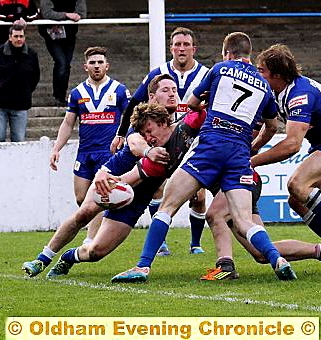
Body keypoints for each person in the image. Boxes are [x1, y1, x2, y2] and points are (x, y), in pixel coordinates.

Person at [111, 32, 298, 284]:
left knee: (167, 207)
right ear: (249, 54)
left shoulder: (220, 69)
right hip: (239, 153)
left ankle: (142, 267)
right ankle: (277, 259)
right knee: (244, 221)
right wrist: (253, 145)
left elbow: (191, 103)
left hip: (211, 145)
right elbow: (273, 126)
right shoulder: (264, 85)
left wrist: (205, 106)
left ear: (227, 53)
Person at [22, 75, 205, 279]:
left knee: (95, 252)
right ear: (152, 97)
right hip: (111, 178)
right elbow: (136, 143)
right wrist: (146, 152)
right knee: (86, 212)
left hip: (135, 200)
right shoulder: (140, 125)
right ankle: (42, 258)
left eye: (174, 90)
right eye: (165, 90)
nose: (172, 94)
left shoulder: (182, 127)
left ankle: (69, 257)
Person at [251, 43, 321, 271]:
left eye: (261, 70)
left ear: (277, 75)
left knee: (297, 184)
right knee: (296, 199)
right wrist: (253, 148)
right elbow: (270, 127)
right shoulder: (276, 92)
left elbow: (293, 144)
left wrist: (252, 161)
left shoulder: (299, 94)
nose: (258, 74)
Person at [113, 27, 209, 257]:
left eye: (186, 44)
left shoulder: (206, 74)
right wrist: (120, 133)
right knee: (157, 188)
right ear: (171, 47)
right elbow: (133, 103)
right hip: (163, 137)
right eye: (177, 44)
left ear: (193, 48)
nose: (181, 48)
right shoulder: (159, 73)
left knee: (199, 195)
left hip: (193, 139)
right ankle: (162, 242)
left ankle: (195, 243)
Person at [49, 46, 129, 243]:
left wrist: (125, 139)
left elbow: (129, 119)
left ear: (107, 66)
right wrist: (56, 148)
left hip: (108, 152)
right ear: (85, 67)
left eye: (100, 62)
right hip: (85, 152)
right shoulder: (77, 93)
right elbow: (68, 123)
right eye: (92, 63)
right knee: (81, 198)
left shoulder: (119, 90)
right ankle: (98, 228)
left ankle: (91, 239)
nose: (96, 66)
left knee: (101, 196)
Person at [39, 0, 87, 106]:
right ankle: (58, 96)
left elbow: (82, 13)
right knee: (61, 63)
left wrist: (63, 16)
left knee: (66, 66)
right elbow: (47, 13)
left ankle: (61, 96)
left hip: (70, 35)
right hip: (51, 35)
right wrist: (67, 15)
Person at [0, 23, 40, 142]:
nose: (19, 39)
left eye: (21, 36)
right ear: (10, 37)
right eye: (16, 36)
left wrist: (25, 91)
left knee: (19, 140)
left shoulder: (32, 55)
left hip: (21, 105)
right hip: (0, 104)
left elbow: (35, 77)